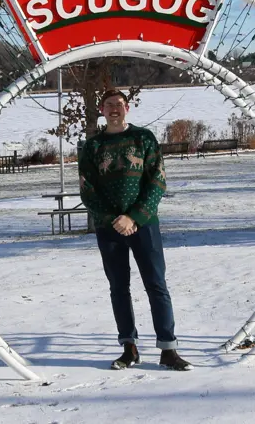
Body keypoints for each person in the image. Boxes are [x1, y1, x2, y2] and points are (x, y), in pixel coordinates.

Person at [78, 90, 191, 371]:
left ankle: (168, 349)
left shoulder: (143, 138)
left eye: (119, 104)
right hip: (109, 227)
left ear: (127, 108)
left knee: (156, 285)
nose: (114, 109)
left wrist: (134, 216)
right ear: (101, 110)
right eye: (109, 105)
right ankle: (129, 348)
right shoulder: (92, 147)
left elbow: (158, 180)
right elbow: (87, 190)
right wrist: (114, 218)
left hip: (144, 223)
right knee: (119, 288)